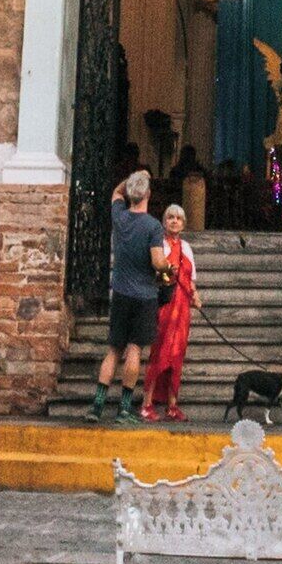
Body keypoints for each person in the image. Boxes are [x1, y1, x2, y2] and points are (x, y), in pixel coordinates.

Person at [94, 171, 166, 421]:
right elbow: (158, 262)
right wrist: (168, 267)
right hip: (144, 295)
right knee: (134, 350)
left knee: (113, 350)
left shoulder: (120, 216)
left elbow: (116, 192)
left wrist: (134, 178)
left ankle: (97, 406)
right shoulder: (153, 226)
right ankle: (124, 409)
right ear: (148, 194)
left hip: (121, 292)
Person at [142, 205, 198, 420]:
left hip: (183, 308)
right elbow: (154, 276)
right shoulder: (160, 245)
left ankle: (172, 405)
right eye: (170, 218)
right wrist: (167, 273)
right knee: (160, 353)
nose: (174, 221)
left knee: (177, 356)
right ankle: (147, 403)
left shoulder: (187, 247)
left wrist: (195, 295)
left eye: (178, 218)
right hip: (164, 306)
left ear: (183, 224)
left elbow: (192, 280)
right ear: (164, 222)